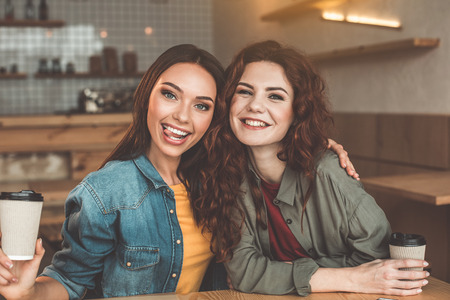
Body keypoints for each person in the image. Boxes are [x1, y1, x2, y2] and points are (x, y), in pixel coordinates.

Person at [0, 44, 354, 299]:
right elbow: (67, 282)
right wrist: (25, 292)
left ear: (214, 117)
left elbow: (276, 152)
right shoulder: (106, 191)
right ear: (146, 98)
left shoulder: (224, 176)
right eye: (170, 95)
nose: (183, 116)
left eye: (201, 105)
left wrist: (320, 150)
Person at [201, 40, 430, 297]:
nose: (255, 105)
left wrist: (278, 272)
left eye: (275, 96)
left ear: (297, 112)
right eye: (244, 91)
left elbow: (380, 261)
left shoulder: (328, 171)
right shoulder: (228, 175)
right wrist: (350, 277)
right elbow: (244, 273)